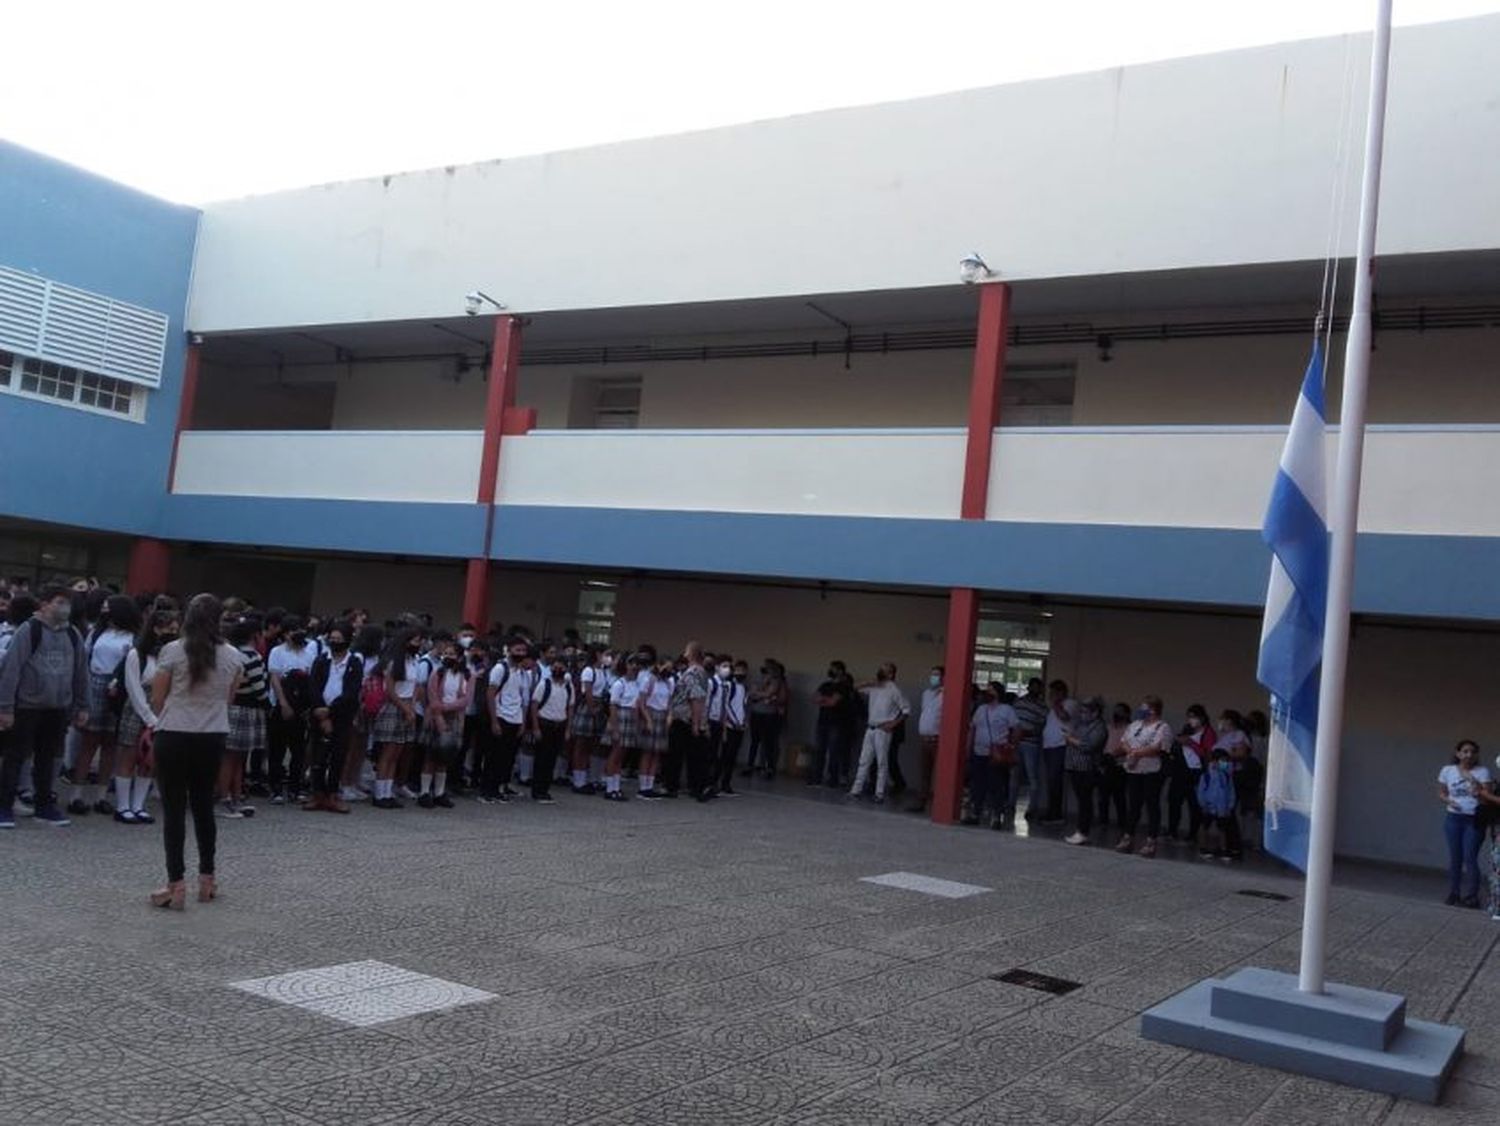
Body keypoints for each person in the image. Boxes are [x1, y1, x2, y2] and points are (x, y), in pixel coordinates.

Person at [147, 593, 243, 910]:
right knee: (203, 806)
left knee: (174, 809)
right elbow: (229, 698)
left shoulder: (173, 650)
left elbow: (157, 698)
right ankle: (208, 878)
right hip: (212, 733)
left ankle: (175, 884)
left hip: (174, 731)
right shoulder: (232, 656)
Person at [0, 585, 88, 828]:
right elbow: (11, 669)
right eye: (59, 602)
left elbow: (81, 672)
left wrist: (83, 704)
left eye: (67, 603)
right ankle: (4, 806)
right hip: (27, 705)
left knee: (48, 759)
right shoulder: (29, 630)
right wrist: (5, 707)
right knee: (15, 756)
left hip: (58, 707)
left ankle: (44, 805)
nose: (64, 608)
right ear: (45, 604)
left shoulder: (73, 635)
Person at [71, 595, 142, 816]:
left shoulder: (134, 638)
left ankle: (101, 795)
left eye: (108, 608)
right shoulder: (98, 632)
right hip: (95, 682)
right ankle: (76, 794)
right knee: (88, 742)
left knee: (111, 744)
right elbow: (85, 656)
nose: (104, 611)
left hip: (118, 688)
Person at [113, 608, 178, 824]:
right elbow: (133, 689)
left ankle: (139, 805)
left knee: (150, 760)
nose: (172, 633)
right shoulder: (136, 654)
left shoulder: (170, 656)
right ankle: (123, 806)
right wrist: (149, 717)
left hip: (162, 710)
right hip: (138, 709)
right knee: (129, 756)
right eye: (169, 629)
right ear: (155, 629)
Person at [306, 621, 363, 813]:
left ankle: (333, 794)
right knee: (318, 756)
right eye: (332, 639)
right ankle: (317, 794)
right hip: (319, 713)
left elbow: (352, 692)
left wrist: (331, 711)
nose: (334, 642)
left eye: (338, 639)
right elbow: (313, 686)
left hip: (341, 715)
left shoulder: (354, 662)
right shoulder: (321, 660)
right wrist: (321, 711)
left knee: (338, 756)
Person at [266, 615, 318, 805]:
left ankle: (295, 788)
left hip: (301, 707)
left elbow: (313, 680)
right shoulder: (277, 652)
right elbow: (275, 679)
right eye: (292, 631)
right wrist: (283, 704)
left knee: (298, 750)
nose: (297, 634)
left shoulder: (309, 654)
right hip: (281, 705)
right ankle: (276, 788)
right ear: (285, 634)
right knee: (277, 749)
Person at [1438, 739, 1493, 908]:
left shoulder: (1482, 771)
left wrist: (1473, 782)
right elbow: (1441, 792)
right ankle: (1454, 893)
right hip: (1454, 818)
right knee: (1456, 857)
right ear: (1458, 753)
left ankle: (1472, 896)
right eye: (1465, 751)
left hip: (1474, 819)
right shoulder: (1448, 770)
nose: (1469, 755)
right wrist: (1448, 800)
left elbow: (1487, 796)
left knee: (1470, 857)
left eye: (1472, 752)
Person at [221, 616, 266, 819]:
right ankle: (226, 798)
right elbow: (260, 689)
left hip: (231, 707)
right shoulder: (252, 656)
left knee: (234, 757)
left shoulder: (231, 653)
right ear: (255, 635)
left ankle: (234, 797)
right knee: (234, 758)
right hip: (246, 709)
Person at [1116, 695, 1172, 858]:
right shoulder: (1135, 725)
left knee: (1151, 804)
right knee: (1133, 804)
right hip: (1133, 769)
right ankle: (1128, 838)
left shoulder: (1162, 727)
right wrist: (1130, 751)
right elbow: (1124, 740)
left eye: (1144, 707)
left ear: (1153, 710)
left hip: (1152, 771)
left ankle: (1151, 841)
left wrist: (1137, 753)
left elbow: (1158, 747)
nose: (1141, 709)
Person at [481, 637, 536, 804]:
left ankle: (498, 787)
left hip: (515, 718)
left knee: (507, 757)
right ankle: (486, 790)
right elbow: (491, 693)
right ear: (509, 650)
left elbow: (524, 700)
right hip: (501, 716)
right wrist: (494, 720)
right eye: (517, 650)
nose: (520, 654)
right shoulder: (500, 668)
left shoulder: (523, 674)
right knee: (493, 756)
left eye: (523, 651)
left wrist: (523, 723)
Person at [370, 629, 420, 809]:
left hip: (408, 705)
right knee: (388, 753)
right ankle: (379, 793)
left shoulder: (414, 661)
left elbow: (416, 687)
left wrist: (412, 706)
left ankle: (388, 791)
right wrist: (405, 708)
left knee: (398, 752)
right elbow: (389, 690)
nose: (417, 644)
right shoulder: (393, 662)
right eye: (415, 640)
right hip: (394, 705)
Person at [848, 662, 909, 804]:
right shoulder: (874, 687)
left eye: (885, 670)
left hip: (883, 729)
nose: (881, 671)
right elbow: (854, 688)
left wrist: (893, 723)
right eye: (880, 669)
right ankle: (855, 790)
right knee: (864, 760)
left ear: (891, 674)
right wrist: (869, 682)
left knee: (882, 762)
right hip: (870, 728)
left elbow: (906, 710)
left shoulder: (895, 690)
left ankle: (879, 793)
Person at [964, 683, 1018, 829]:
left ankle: (996, 816)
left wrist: (1011, 745)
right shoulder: (981, 709)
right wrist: (968, 748)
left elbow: (1015, 729)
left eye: (990, 690)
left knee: (996, 785)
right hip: (979, 751)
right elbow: (972, 729)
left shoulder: (1007, 710)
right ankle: (976, 813)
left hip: (996, 755)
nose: (987, 693)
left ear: (998, 693)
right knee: (977, 785)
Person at [666, 641, 711, 800]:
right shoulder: (700, 672)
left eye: (686, 651)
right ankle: (694, 786)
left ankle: (681, 786)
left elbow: (696, 698)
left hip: (685, 718)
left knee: (679, 754)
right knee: (691, 754)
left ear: (691, 654)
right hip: (687, 717)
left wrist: (696, 723)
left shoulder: (693, 673)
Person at [1166, 703, 1215, 842]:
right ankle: (1172, 831)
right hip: (1181, 770)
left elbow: (1208, 754)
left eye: (1194, 717)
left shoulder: (1208, 733)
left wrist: (1190, 744)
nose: (1191, 720)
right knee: (1174, 801)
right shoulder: (1187, 730)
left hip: (1197, 772)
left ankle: (1193, 834)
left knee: (1194, 804)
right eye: (1189, 717)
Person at [1064, 696, 1108, 845]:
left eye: (1085, 711)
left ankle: (1083, 831)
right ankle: (1080, 830)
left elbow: (1089, 746)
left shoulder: (1099, 727)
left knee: (1085, 800)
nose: (1082, 714)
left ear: (1095, 713)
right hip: (1074, 765)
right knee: (1080, 799)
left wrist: (1072, 740)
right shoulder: (1080, 724)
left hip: (1088, 768)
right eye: (1081, 711)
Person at [528, 657, 573, 804]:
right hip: (544, 724)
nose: (557, 670)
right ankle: (537, 790)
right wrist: (535, 727)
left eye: (561, 667)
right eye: (555, 667)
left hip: (559, 725)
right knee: (541, 758)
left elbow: (570, 707)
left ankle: (545, 789)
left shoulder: (568, 686)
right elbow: (534, 705)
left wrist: (568, 728)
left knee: (552, 758)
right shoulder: (544, 684)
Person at [601, 654, 642, 802]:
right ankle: (609, 787)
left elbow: (637, 705)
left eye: (637, 664)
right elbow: (613, 706)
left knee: (622, 755)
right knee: (615, 754)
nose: (635, 667)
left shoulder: (637, 684)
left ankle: (616, 787)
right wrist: (615, 727)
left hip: (630, 718)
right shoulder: (619, 684)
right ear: (625, 666)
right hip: (620, 717)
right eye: (631, 664)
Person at [811, 661, 855, 789]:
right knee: (819, 750)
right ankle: (817, 778)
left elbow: (832, 702)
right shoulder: (825, 685)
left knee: (834, 752)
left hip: (836, 724)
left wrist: (823, 700)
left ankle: (832, 779)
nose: (830, 671)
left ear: (840, 671)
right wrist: (826, 700)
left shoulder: (844, 687)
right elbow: (814, 698)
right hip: (822, 722)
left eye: (833, 669)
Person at [635, 655, 673, 799]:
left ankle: (650, 785)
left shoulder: (669, 682)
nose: (668, 671)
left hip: (662, 716)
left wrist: (669, 715)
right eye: (666, 668)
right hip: (650, 714)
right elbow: (642, 702)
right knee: (647, 751)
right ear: (658, 665)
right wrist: (647, 719)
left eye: (670, 669)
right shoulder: (649, 680)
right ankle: (643, 786)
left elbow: (669, 702)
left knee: (657, 752)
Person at [708, 656, 747, 796]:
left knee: (732, 757)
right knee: (723, 755)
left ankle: (726, 783)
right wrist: (734, 721)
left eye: (743, 670)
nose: (740, 673)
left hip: (740, 726)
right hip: (729, 726)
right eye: (737, 670)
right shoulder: (730, 686)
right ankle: (714, 782)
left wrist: (743, 721)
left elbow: (742, 706)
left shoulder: (743, 687)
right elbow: (726, 705)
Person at [1196, 747, 1242, 861]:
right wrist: (1203, 804)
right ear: (1215, 761)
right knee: (1205, 827)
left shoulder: (1226, 775)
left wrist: (1230, 806)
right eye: (1223, 760)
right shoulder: (1206, 775)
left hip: (1222, 807)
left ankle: (1223, 850)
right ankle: (1203, 848)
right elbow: (1201, 791)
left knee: (1222, 829)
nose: (1225, 763)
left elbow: (1231, 791)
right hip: (1209, 806)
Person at [744, 659, 788, 778]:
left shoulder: (777, 681)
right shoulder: (758, 679)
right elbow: (752, 693)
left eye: (767, 667)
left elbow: (770, 693)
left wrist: (762, 694)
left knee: (768, 742)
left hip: (769, 715)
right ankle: (749, 765)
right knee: (754, 741)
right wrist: (763, 693)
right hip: (756, 712)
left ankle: (769, 768)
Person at [909, 666, 944, 813]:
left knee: (940, 773)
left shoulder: (946, 694)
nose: (933, 677)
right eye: (932, 674)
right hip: (924, 738)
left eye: (936, 675)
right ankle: (921, 801)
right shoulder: (926, 694)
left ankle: (940, 803)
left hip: (938, 739)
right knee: (924, 772)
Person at [1012, 678, 1048, 822]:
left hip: (1031, 744)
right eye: (1032, 687)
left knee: (1033, 777)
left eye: (1037, 688)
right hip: (1016, 742)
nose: (1035, 690)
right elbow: (1012, 721)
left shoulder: (1043, 707)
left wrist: (1029, 733)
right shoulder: (1018, 703)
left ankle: (1032, 808)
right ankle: (1010, 804)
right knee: (1014, 774)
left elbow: (1042, 727)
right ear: (1028, 688)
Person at [1041, 679, 1076, 824]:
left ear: (1061, 692)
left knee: (1055, 780)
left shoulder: (1070, 704)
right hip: (1049, 746)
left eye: (1054, 692)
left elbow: (1064, 717)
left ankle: (1056, 814)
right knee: (1050, 780)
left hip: (1060, 746)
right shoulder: (1052, 707)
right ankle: (1051, 810)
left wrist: (1056, 703)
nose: (1051, 695)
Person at [1095, 702, 1131, 833]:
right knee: (1103, 796)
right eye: (1116, 711)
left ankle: (1122, 824)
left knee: (1119, 796)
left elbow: (1129, 746)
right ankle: (1102, 821)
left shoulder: (1130, 729)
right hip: (1106, 764)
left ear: (1127, 714)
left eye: (1120, 711)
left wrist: (1115, 754)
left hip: (1120, 765)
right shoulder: (1108, 727)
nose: (1117, 714)